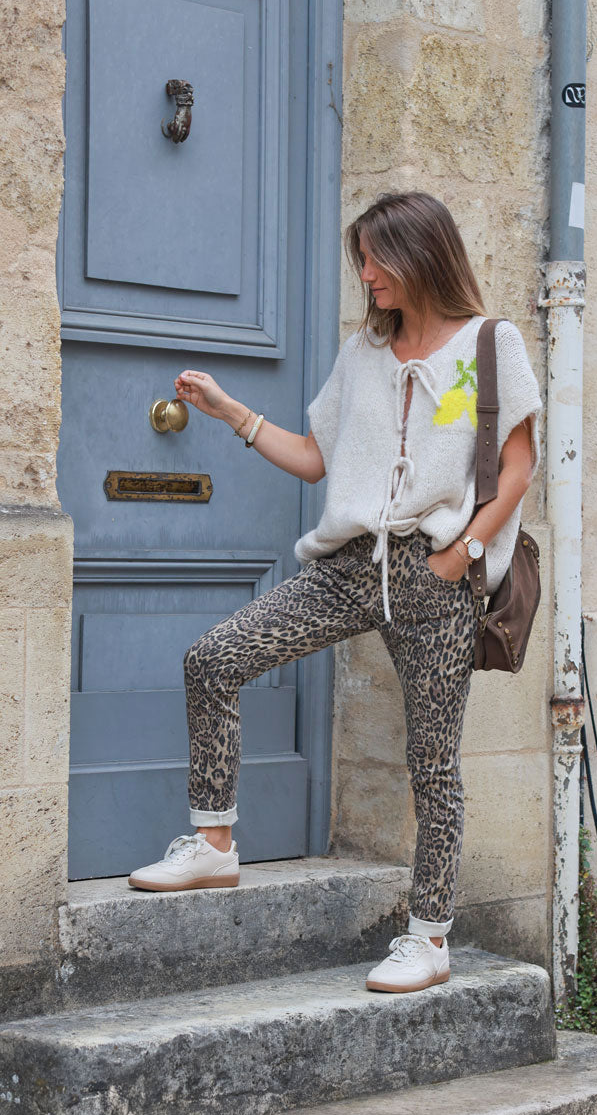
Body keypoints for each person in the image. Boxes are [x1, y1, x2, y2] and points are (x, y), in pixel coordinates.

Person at [128, 190, 542, 994]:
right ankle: (215, 843)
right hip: (350, 566)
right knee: (212, 659)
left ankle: (429, 936)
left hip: (437, 576)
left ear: (421, 255)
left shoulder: (491, 345)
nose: (367, 274)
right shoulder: (363, 351)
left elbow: (518, 466)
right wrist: (228, 412)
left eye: (377, 259)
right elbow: (318, 456)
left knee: (433, 763)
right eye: (361, 259)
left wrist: (460, 555)